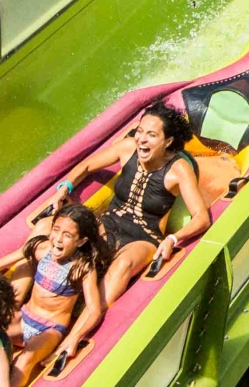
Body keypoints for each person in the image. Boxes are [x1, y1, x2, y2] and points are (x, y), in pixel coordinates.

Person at [0, 204, 109, 380]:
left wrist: (73, 338)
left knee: (25, 360)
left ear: (81, 241)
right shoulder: (41, 248)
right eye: (56, 230)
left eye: (67, 235)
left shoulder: (82, 267)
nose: (58, 239)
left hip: (49, 328)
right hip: (23, 317)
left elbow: (93, 310)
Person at [76, 103, 212, 298]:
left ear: (168, 141)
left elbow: (201, 217)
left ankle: (94, 316)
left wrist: (173, 238)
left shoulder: (179, 169)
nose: (142, 139)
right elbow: (87, 166)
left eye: (152, 135)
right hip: (109, 223)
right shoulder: (127, 147)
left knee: (123, 265)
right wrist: (64, 189)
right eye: (140, 131)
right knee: (76, 243)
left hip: (144, 238)